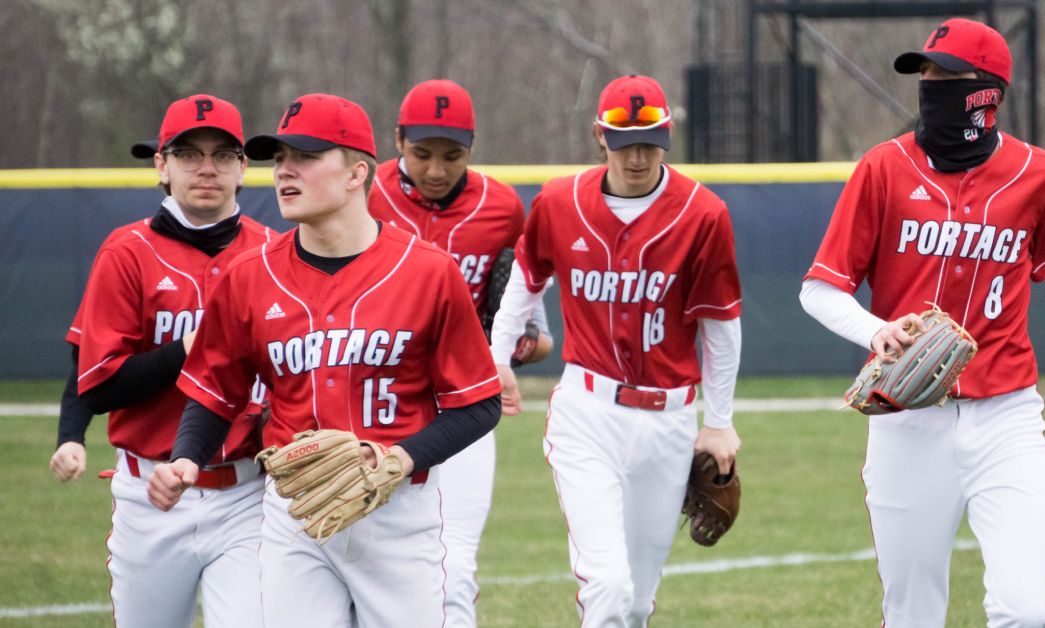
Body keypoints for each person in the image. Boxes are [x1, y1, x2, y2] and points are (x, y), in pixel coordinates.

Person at [145, 93, 503, 628]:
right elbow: (214, 390)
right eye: (279, 157)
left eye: (307, 156)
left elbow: (479, 404)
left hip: (397, 514)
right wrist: (186, 458)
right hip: (295, 511)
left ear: (359, 172)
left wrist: (401, 459)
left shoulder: (428, 272)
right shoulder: (249, 275)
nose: (286, 170)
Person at [799, 18, 1045, 627]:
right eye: (924, 73)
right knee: (912, 614)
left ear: (986, 91)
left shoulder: (1036, 173)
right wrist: (873, 328)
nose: (929, 84)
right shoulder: (883, 168)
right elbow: (818, 290)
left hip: (1007, 416)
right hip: (908, 420)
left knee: (1024, 610)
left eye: (944, 74)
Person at [488, 74, 744, 627]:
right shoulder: (559, 201)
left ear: (668, 135)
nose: (638, 155)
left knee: (636, 600)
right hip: (589, 413)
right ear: (599, 136)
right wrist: (497, 358)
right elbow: (526, 282)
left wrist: (719, 421)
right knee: (606, 584)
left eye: (651, 141)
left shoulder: (703, 214)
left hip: (670, 420)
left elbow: (721, 324)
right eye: (625, 142)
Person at [47, 94, 275, 628]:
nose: (206, 168)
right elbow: (96, 387)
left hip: (248, 493)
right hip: (150, 495)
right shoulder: (126, 252)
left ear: (243, 168)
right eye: (189, 153)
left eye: (222, 155)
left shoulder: (273, 253)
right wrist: (186, 349)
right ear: (161, 164)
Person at [367, 78, 553, 627]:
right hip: (376, 405)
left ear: (472, 147)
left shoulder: (502, 208)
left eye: (453, 155)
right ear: (397, 140)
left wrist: (517, 346)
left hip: (463, 406)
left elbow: (534, 334)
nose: (435, 169)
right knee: (366, 568)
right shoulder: (363, 194)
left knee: (453, 572)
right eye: (421, 153)